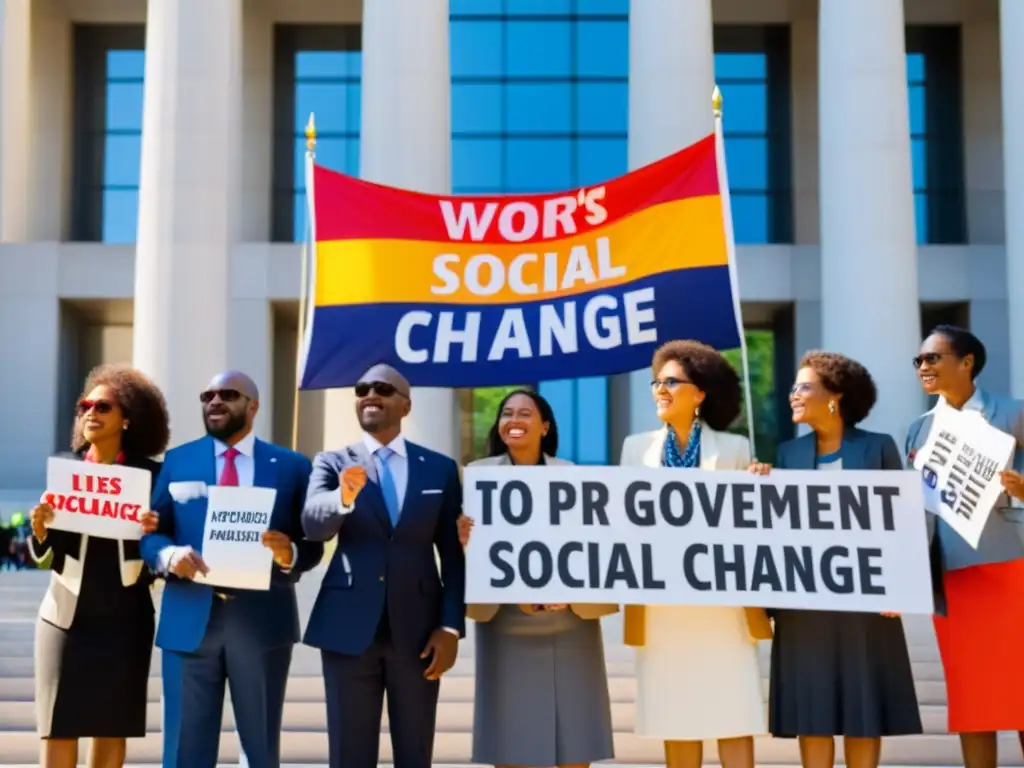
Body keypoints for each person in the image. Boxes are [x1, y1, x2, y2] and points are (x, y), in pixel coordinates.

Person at [140, 371, 322, 768]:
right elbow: (152, 534)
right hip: (188, 623)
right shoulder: (177, 460)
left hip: (263, 624)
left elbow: (313, 545)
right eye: (207, 395)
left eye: (228, 394)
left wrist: (287, 551)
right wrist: (169, 557)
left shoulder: (292, 466)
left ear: (253, 406)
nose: (215, 402)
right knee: (184, 752)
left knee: (259, 752)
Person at [749, 351, 921, 768]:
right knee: (814, 713)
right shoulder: (787, 454)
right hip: (804, 609)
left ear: (835, 397)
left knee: (864, 714)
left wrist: (899, 582)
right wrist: (759, 486)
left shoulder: (878, 448)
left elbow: (902, 520)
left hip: (866, 605)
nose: (793, 395)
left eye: (803, 386)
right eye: (793, 387)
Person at [302, 363, 465, 768]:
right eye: (361, 389)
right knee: (350, 755)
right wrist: (342, 496)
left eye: (382, 389)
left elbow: (453, 555)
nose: (369, 395)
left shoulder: (440, 469)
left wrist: (450, 626)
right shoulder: (332, 462)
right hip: (347, 629)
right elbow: (312, 525)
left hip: (419, 634)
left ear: (406, 406)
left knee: (414, 754)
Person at [618, 340, 770, 768]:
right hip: (664, 608)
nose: (659, 390)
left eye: (671, 382)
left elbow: (756, 524)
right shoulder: (635, 448)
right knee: (676, 714)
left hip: (723, 608)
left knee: (733, 710)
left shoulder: (736, 449)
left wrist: (763, 484)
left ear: (699, 393)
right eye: (656, 382)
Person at [457, 389, 616, 768]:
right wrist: (464, 542)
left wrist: (570, 588)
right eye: (507, 413)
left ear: (544, 426)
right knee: (510, 740)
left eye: (525, 413)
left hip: (570, 621)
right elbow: (472, 555)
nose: (514, 420)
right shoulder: (477, 476)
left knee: (574, 738)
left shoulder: (572, 475)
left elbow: (593, 543)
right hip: (506, 622)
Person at [30, 364, 168, 768]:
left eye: (103, 406)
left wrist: (154, 530)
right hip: (63, 617)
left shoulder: (151, 476)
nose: (91, 412)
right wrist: (40, 531)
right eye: (85, 405)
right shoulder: (64, 468)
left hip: (126, 620)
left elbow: (161, 555)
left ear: (127, 418)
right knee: (57, 725)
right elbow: (46, 556)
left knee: (112, 726)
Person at [906, 325, 1024, 767]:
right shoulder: (919, 431)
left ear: (967, 362)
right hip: (952, 582)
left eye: (932, 358)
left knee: (1020, 693)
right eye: (918, 361)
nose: (923, 367)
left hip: (1009, 569)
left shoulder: (1012, 415)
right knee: (972, 700)